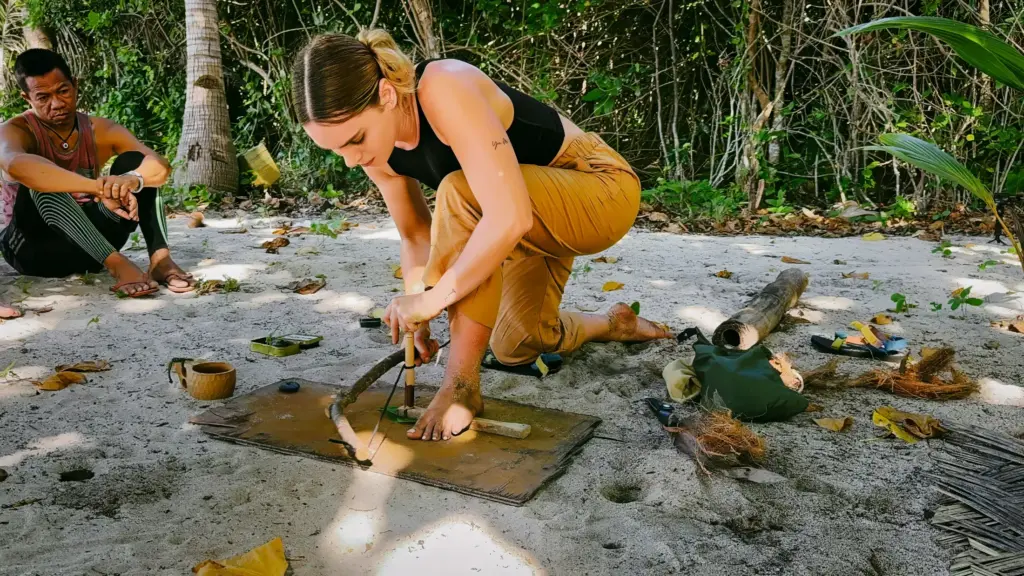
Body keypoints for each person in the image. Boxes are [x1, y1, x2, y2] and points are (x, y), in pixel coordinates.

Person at [293, 29, 673, 442]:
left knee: (460, 192)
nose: (351, 160)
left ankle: (461, 389)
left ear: (386, 95)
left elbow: (507, 215)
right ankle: (614, 323)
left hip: (599, 190)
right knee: (516, 344)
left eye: (355, 139)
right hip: (533, 220)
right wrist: (418, 311)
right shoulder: (375, 152)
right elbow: (416, 236)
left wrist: (434, 299)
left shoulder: (443, 86)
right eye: (336, 150)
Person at [0, 48, 194, 296]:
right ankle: (119, 266)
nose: (57, 103)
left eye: (63, 91)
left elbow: (159, 165)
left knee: (135, 161)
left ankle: (161, 260)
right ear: (27, 98)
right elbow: (15, 165)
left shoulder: (99, 129)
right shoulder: (15, 131)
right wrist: (97, 188)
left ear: (75, 85)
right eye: (43, 97)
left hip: (93, 249)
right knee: (40, 179)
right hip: (33, 252)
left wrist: (130, 180)